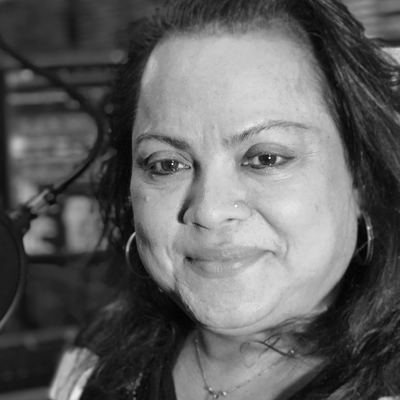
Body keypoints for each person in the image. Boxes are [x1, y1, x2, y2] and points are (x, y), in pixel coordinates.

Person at [49, 0, 400, 399]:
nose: (210, 211)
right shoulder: (94, 363)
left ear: (361, 176)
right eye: (166, 164)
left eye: (266, 159)